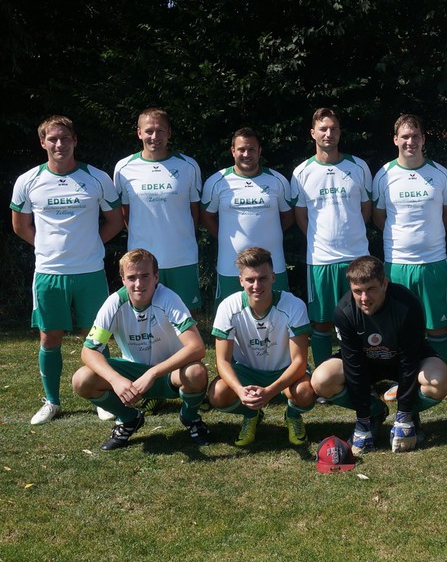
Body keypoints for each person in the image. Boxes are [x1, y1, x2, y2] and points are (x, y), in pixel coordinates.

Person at [11, 115, 124, 424]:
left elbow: (115, 221)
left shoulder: (97, 178)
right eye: (53, 139)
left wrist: (89, 245)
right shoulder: (28, 180)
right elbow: (20, 226)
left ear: (75, 140)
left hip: (89, 272)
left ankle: (101, 396)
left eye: (65, 138)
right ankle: (52, 401)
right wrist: (47, 248)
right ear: (43, 143)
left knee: (96, 337)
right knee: (50, 338)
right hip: (49, 274)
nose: (59, 144)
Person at [310, 255, 447, 453]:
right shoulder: (344, 311)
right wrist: (362, 420)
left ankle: (411, 414)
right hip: (366, 364)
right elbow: (354, 365)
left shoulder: (407, 304)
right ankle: (374, 411)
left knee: (440, 380)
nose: (364, 298)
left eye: (371, 289)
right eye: (357, 291)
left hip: (403, 360)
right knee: (321, 380)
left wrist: (404, 415)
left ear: (384, 284)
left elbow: (409, 360)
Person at [71, 249, 210, 450]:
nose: (138, 284)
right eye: (132, 277)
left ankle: (190, 417)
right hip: (133, 377)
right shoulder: (114, 303)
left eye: (145, 276)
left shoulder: (168, 299)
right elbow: (88, 351)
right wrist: (115, 380)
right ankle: (129, 419)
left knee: (196, 372)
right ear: (123, 280)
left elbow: (196, 347)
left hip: (170, 374)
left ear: (156, 277)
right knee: (81, 379)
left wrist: (152, 374)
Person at [207, 247, 316, 446]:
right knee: (217, 394)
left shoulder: (294, 305)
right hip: (247, 372)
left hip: (285, 370)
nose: (256, 285)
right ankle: (251, 414)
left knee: (305, 393)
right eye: (250, 280)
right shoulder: (228, 307)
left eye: (263, 278)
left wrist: (269, 392)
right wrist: (240, 391)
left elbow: (300, 362)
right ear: (241, 280)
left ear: (273, 277)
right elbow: (222, 361)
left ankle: (292, 416)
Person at [371, 114, 447, 361]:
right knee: (399, 325)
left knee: (437, 327)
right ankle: (403, 376)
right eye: (405, 136)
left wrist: (428, 235)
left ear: (423, 139)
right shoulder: (384, 175)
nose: (411, 142)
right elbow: (379, 217)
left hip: (433, 261)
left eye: (415, 136)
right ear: (395, 140)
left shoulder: (440, 173)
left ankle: (439, 375)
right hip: (397, 262)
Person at [292, 107, 372, 366]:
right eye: (323, 129)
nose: (329, 134)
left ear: (340, 132)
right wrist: (321, 239)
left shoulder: (358, 167)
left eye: (333, 128)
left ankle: (364, 375)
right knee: (322, 322)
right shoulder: (301, 172)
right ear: (313, 133)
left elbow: (365, 209)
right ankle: (323, 376)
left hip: (356, 257)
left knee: (362, 318)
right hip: (321, 260)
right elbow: (301, 216)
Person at [113, 108, 203, 311]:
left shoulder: (188, 165)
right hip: (142, 260)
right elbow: (125, 213)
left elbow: (194, 211)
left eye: (160, 131)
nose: (154, 136)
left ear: (169, 133)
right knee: (145, 315)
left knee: (186, 316)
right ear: (139, 133)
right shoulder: (123, 168)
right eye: (149, 131)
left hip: (182, 257)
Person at [201, 127, 294, 305]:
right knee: (229, 315)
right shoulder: (217, 181)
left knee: (279, 313)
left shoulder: (278, 180)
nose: (246, 154)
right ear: (233, 151)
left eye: (251, 149)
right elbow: (206, 217)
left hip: (273, 264)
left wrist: (268, 234)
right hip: (230, 266)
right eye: (241, 149)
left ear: (259, 151)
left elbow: (288, 216)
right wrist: (226, 237)